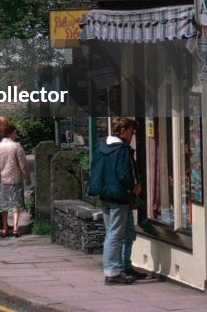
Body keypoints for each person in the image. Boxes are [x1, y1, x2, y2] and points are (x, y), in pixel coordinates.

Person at [88, 117, 142, 286]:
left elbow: (94, 168)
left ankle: (123, 267)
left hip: (105, 195)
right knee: (115, 234)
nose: (132, 136)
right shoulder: (122, 150)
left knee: (124, 233)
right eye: (132, 132)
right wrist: (133, 187)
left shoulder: (102, 145)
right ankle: (112, 272)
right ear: (124, 130)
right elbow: (124, 174)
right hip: (119, 196)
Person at [0, 121, 32, 237]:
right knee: (15, 204)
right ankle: (15, 227)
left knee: (4, 205)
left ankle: (4, 228)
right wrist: (27, 177)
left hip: (2, 180)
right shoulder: (16, 146)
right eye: (15, 133)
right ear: (10, 133)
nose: (16, 135)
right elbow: (23, 164)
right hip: (15, 179)